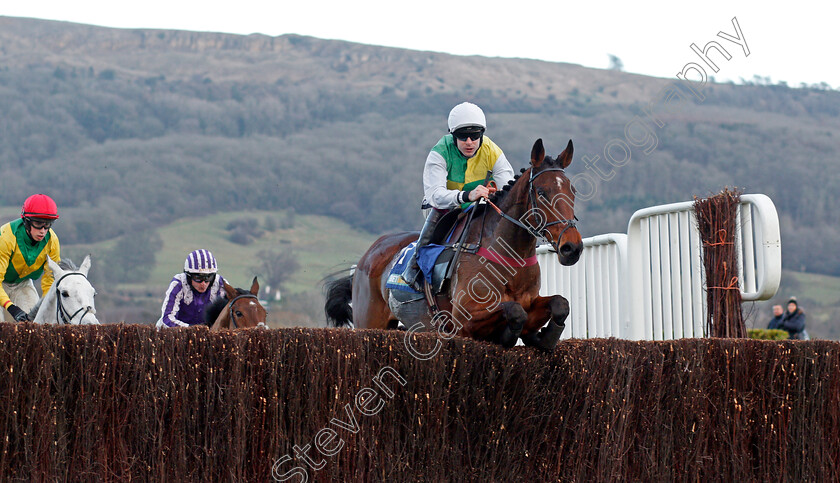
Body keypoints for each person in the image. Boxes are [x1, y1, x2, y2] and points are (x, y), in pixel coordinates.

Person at [402, 102, 515, 290]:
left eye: (475, 136)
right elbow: (435, 196)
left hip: (477, 203)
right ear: (452, 136)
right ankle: (414, 265)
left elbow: (509, 187)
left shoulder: (493, 151)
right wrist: (467, 195)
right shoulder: (439, 152)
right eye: (463, 136)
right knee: (440, 211)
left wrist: (497, 192)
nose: (469, 142)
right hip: (443, 206)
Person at [0, 194, 61, 322]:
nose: (43, 231)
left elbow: (50, 280)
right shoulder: (6, 237)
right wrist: (11, 308)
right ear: (26, 221)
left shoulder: (53, 242)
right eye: (38, 223)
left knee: (34, 324)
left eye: (48, 224)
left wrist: (45, 305)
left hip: (22, 284)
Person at [156, 249, 227, 328]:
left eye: (208, 277)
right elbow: (167, 318)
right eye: (198, 277)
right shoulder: (178, 284)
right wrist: (192, 329)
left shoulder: (221, 284)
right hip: (176, 333)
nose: (203, 283)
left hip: (208, 334)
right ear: (188, 276)